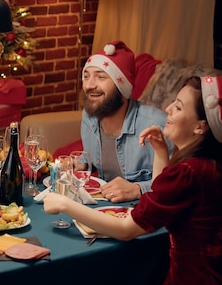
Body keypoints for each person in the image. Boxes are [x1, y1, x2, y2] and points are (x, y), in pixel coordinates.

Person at [45, 75, 222, 284]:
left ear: (200, 127)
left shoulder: (188, 172)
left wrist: (65, 204)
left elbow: (126, 230)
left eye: (179, 107)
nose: (168, 109)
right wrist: (160, 150)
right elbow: (160, 197)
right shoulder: (206, 164)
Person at [81, 40, 173, 202]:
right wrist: (81, 162)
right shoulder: (89, 115)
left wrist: (138, 189)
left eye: (101, 77)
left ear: (122, 86)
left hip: (143, 214)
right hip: (105, 207)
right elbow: (92, 155)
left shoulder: (158, 125)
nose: (89, 85)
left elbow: (179, 184)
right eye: (86, 76)